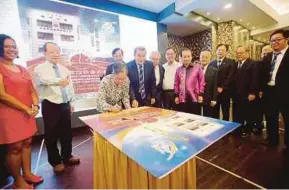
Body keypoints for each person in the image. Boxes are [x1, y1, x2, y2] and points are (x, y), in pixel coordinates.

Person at [0, 34, 42, 189]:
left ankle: (28, 174)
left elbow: (31, 89)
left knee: (27, 143)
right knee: (15, 147)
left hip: (27, 113)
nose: (11, 49)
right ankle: (18, 181)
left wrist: (36, 105)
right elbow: (2, 95)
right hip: (9, 115)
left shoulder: (22, 68)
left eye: (13, 46)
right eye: (7, 46)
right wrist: (25, 108)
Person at [34, 42, 80, 174]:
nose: (56, 54)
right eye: (52, 52)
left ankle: (67, 156)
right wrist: (59, 81)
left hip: (64, 103)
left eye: (57, 51)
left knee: (66, 133)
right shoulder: (40, 68)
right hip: (50, 105)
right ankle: (55, 161)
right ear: (45, 54)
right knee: (52, 135)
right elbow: (43, 80)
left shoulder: (64, 69)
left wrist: (71, 101)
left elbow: (69, 86)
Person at [260, 29, 289, 148]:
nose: (274, 43)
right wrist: (261, 90)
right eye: (272, 41)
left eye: (278, 40)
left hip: (286, 92)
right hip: (269, 92)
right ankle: (272, 140)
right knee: (271, 117)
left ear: (286, 39)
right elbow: (263, 75)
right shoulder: (267, 57)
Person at [233, 45, 258, 138]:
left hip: (247, 94)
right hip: (237, 94)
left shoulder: (252, 63)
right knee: (238, 113)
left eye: (241, 53)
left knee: (248, 114)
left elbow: (255, 79)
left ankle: (247, 131)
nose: (238, 55)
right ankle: (238, 130)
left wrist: (252, 93)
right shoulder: (236, 64)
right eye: (237, 53)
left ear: (247, 53)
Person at [174, 48, 205, 114]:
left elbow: (202, 81)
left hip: (195, 97)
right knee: (184, 117)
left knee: (196, 117)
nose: (186, 58)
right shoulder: (178, 70)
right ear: (181, 58)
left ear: (191, 57)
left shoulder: (197, 67)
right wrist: (176, 96)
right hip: (182, 98)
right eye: (184, 57)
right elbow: (176, 83)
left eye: (188, 56)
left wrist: (201, 94)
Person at [209, 44, 235, 120]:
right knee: (214, 112)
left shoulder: (230, 62)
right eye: (219, 50)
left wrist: (222, 87)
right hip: (214, 93)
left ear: (226, 52)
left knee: (225, 112)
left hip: (225, 92)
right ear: (216, 51)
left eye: (223, 50)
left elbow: (230, 77)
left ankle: (226, 129)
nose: (220, 52)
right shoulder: (212, 63)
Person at [200, 50, 218, 118]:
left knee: (208, 117)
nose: (204, 59)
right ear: (200, 57)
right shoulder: (195, 69)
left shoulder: (214, 70)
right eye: (202, 57)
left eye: (206, 57)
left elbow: (215, 85)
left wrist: (214, 99)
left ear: (210, 58)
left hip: (208, 98)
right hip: (196, 98)